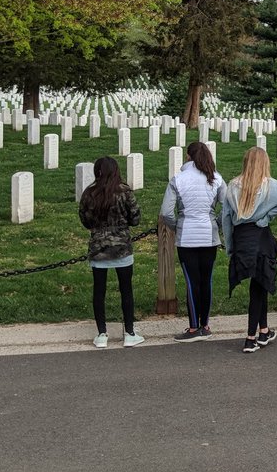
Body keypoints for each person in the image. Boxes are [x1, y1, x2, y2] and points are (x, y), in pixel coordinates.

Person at [221, 147, 277, 353]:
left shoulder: (232, 186)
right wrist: (267, 216)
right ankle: (250, 338)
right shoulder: (270, 185)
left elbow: (226, 220)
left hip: (242, 238)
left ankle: (264, 331)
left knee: (260, 284)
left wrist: (230, 247)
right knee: (258, 287)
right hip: (260, 237)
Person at [159, 141, 225, 342]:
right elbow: (229, 207)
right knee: (207, 280)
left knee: (191, 281)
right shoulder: (216, 179)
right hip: (209, 235)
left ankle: (194, 328)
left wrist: (177, 225)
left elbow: (166, 212)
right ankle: (205, 324)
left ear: (188, 157)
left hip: (187, 236)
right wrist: (217, 223)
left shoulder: (178, 179)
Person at [80, 156, 144, 349]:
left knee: (99, 291)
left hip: (99, 247)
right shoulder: (125, 192)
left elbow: (85, 219)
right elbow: (135, 218)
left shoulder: (90, 193)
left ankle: (101, 334)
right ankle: (130, 333)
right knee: (126, 290)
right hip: (122, 247)